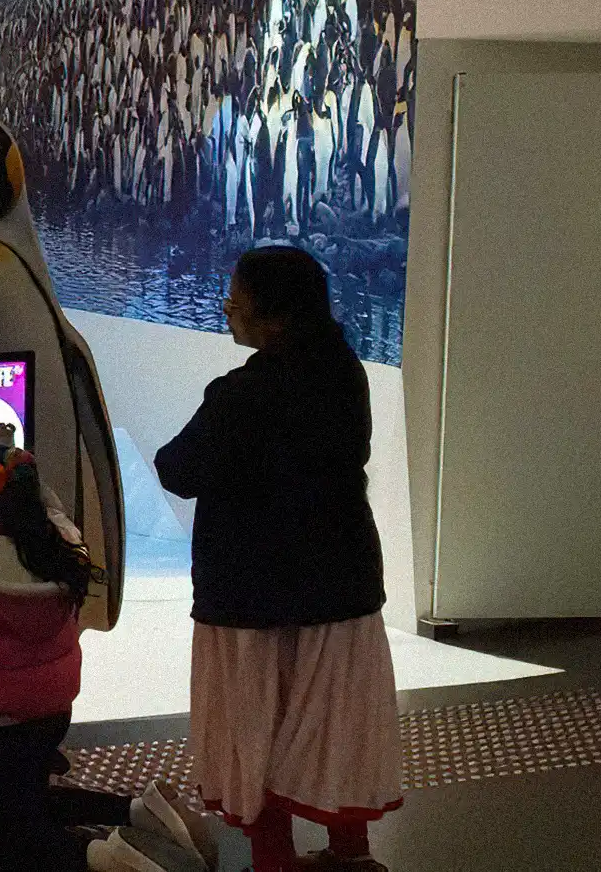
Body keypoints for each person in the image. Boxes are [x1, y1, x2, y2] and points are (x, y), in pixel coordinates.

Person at [155, 246, 401, 872]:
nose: (227, 308)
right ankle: (351, 855)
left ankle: (274, 861)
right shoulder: (346, 372)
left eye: (235, 298)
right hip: (341, 584)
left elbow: (177, 469)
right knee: (334, 726)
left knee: (253, 729)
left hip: (250, 595)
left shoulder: (242, 394)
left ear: (273, 317)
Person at [0, 431, 209, 872]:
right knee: (28, 797)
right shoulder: (64, 540)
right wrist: (17, 453)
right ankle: (140, 811)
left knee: (6, 838)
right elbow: (51, 508)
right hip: (51, 708)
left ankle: (112, 859)